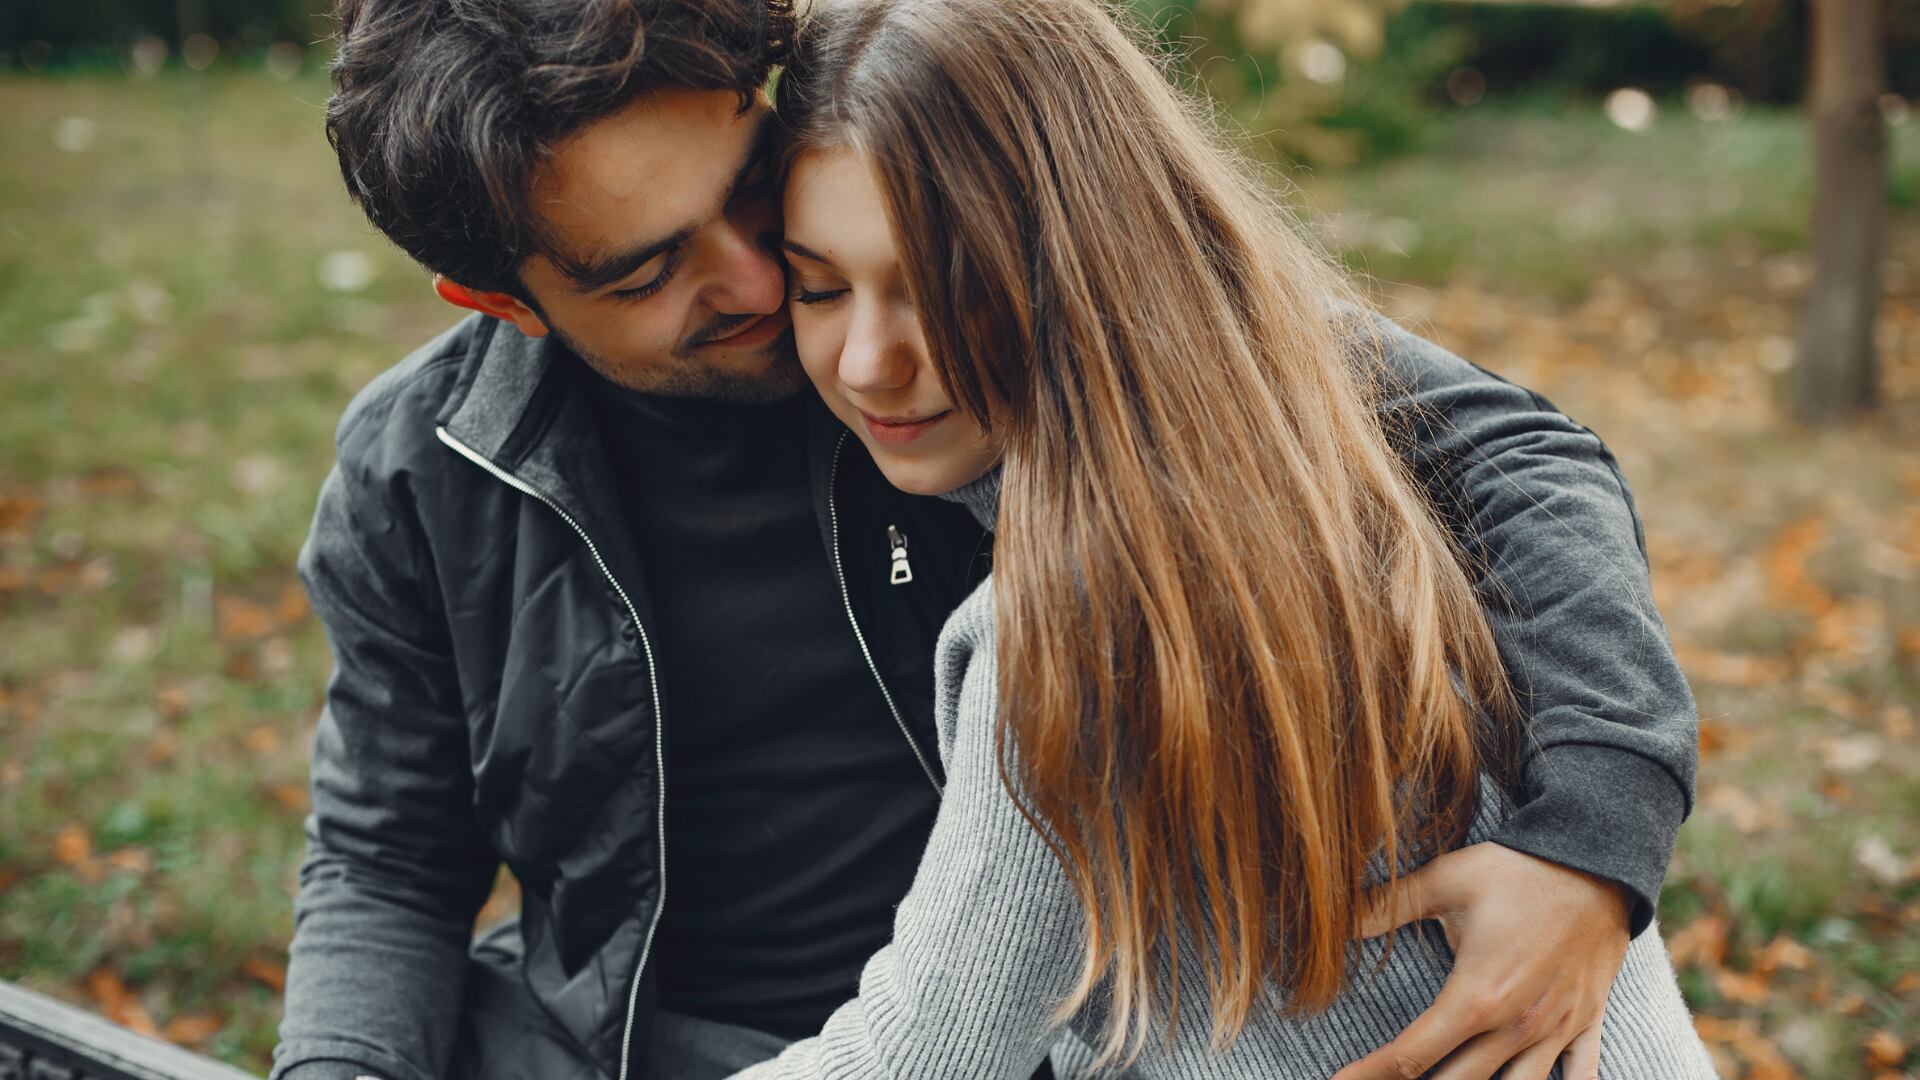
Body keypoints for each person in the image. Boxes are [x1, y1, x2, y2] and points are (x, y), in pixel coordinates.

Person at [273, 0, 1700, 1077]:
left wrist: (1590, 844)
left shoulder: (993, 311)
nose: (763, 279)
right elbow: (388, 855)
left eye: (751, 188)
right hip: (658, 1031)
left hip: (1024, 1026)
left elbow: (1508, 448)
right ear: (499, 298)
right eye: (649, 271)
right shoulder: (424, 471)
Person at [728, 1, 1720, 1076]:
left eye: (943, 288)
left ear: (1081, 261)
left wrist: (1597, 833)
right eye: (819, 287)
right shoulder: (1291, 444)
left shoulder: (1076, 619)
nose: (869, 361)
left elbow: (916, 1057)